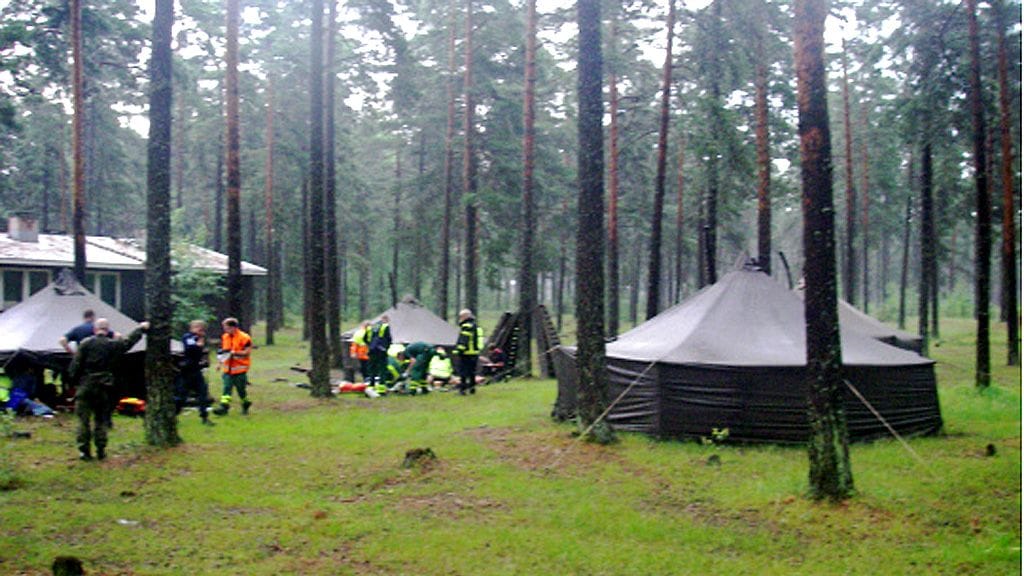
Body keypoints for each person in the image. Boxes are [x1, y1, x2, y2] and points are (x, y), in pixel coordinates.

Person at [67, 318, 149, 461]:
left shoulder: (85, 344)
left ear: (95, 329)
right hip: (104, 387)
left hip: (86, 385)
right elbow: (128, 343)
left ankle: (84, 451)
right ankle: (100, 449)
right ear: (108, 330)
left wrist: (73, 383)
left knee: (83, 421)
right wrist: (140, 329)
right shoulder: (113, 345)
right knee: (101, 420)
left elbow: (75, 366)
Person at [176, 320, 214, 426]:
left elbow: (203, 351)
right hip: (187, 371)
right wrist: (199, 345)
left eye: (201, 328)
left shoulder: (201, 339)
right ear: (192, 328)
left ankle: (204, 417)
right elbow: (190, 349)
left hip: (197, 370)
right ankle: (173, 415)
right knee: (181, 396)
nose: (199, 330)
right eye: (197, 327)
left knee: (203, 393)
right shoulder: (187, 337)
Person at [213, 317, 252, 416]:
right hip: (227, 370)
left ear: (233, 327)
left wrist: (235, 353)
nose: (224, 330)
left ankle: (245, 403)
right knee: (227, 388)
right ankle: (224, 407)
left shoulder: (244, 337)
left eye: (226, 327)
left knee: (241, 390)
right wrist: (219, 363)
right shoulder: (225, 337)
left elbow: (247, 352)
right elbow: (223, 352)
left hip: (240, 369)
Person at [455, 308, 484, 395]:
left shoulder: (466, 326)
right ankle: (472, 389)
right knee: (472, 372)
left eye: (461, 316)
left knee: (463, 372)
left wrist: (459, 350)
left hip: (466, 353)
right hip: (475, 353)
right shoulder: (476, 327)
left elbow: (464, 340)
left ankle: (462, 390)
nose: (460, 318)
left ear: (464, 316)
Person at [366, 315, 392, 390]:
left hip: (372, 351)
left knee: (372, 369)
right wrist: (386, 347)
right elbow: (389, 339)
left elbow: (366, 338)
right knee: (382, 369)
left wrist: (370, 346)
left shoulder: (370, 327)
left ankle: (371, 385)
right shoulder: (385, 326)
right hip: (381, 351)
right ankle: (381, 388)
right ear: (386, 320)